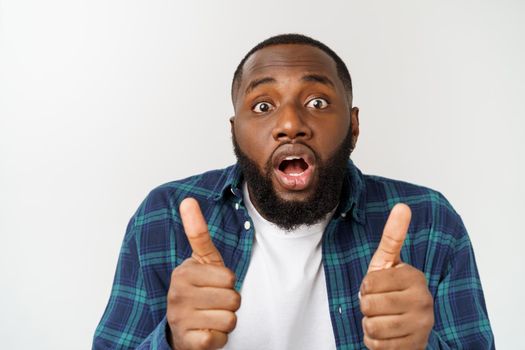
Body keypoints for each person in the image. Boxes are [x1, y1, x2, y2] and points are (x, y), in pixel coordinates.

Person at [93, 34, 494, 349]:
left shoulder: (429, 222)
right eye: (263, 106)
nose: (290, 124)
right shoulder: (164, 217)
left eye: (317, 101)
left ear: (353, 126)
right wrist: (172, 341)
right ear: (234, 130)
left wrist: (421, 346)